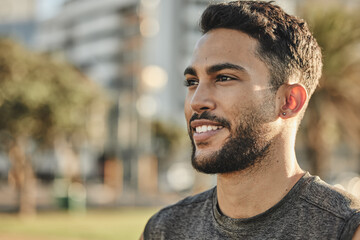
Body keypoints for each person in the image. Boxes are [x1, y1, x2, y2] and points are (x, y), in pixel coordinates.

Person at [141, 1, 360, 239]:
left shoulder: (345, 230)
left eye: (224, 78)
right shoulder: (164, 229)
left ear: (289, 101)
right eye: (192, 82)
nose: (196, 101)